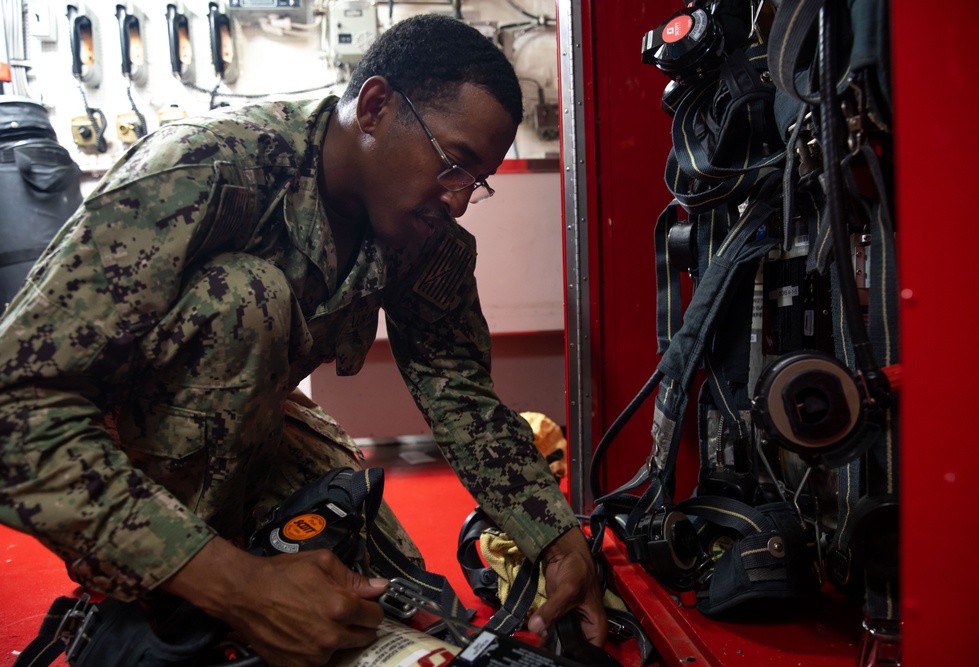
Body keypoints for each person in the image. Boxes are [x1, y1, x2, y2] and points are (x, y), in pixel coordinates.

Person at [0, 13, 606, 667]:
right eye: (454, 165)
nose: (458, 202)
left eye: (475, 182)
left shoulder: (419, 231)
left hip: (258, 419)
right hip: (119, 442)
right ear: (374, 107)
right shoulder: (203, 172)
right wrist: (240, 588)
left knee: (401, 610)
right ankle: (162, 598)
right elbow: (12, 408)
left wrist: (554, 535)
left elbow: (461, 394)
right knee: (243, 298)